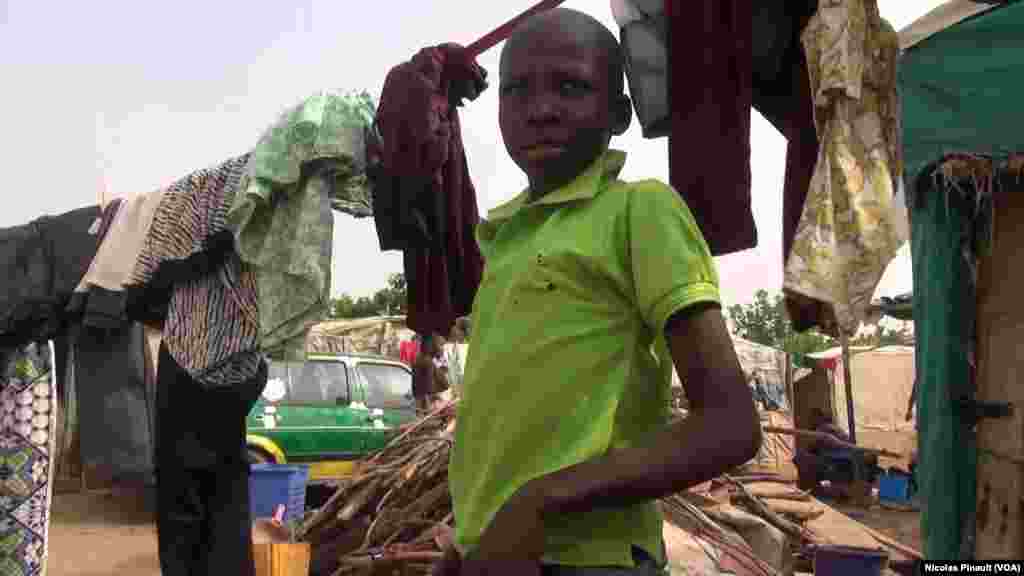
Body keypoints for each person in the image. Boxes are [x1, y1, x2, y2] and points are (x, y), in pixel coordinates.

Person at [435, 8, 761, 576]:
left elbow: (729, 426)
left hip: (593, 560)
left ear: (619, 113)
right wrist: (469, 543)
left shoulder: (639, 209)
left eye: (570, 86)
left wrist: (538, 504)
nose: (540, 110)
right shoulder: (505, 238)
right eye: (517, 91)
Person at [412, 333, 448, 413]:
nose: (443, 349)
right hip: (425, 413)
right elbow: (429, 390)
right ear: (433, 346)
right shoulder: (427, 363)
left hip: (421, 410)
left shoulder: (422, 359)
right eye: (441, 345)